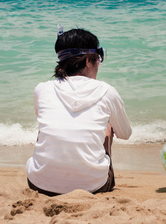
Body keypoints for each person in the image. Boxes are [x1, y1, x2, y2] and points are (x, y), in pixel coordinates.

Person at [26, 27, 132, 196]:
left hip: (39, 184)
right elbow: (125, 134)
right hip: (93, 186)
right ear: (89, 61)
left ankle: (51, 171)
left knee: (46, 125)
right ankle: (88, 173)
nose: (99, 63)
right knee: (108, 126)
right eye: (99, 58)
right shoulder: (106, 91)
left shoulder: (42, 89)